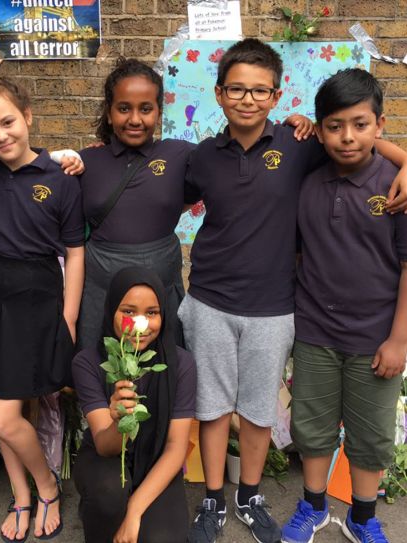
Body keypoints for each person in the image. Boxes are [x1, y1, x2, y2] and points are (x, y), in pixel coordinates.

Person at [180, 38, 407, 543]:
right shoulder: (202, 157)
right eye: (237, 90)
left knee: (256, 410)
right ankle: (213, 499)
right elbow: (157, 194)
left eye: (259, 90)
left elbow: (355, 134)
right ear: (220, 93)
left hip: (274, 306)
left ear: (276, 94)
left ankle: (250, 496)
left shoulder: (301, 144)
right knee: (212, 407)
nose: (248, 99)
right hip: (209, 299)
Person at [279, 69, 407, 543]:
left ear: (379, 125)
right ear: (320, 131)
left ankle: (362, 518)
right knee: (312, 425)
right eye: (336, 126)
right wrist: (300, 120)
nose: (348, 137)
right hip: (316, 330)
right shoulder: (309, 177)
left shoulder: (400, 187)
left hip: (375, 338)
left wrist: (397, 339)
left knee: (369, 435)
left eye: (361, 125)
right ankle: (315, 506)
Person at [75, 58, 314, 352]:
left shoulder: (182, 154)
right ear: (109, 114)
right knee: (99, 368)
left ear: (159, 113)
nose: (135, 119)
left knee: (165, 370)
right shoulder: (85, 162)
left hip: (160, 282)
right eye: (124, 109)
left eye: (146, 109)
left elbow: (208, 182)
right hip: (102, 287)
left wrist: (303, 124)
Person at [0, 70, 85, 543]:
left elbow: (75, 251)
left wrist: (68, 316)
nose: (0, 136)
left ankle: (48, 486)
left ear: (28, 116)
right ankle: (21, 493)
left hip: (35, 301)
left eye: (8, 122)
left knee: (2, 417)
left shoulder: (60, 177)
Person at [70, 267, 197, 543]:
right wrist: (116, 416)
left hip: (157, 461)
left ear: (163, 315)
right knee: (110, 491)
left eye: (151, 313)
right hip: (106, 461)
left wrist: (136, 512)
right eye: (128, 311)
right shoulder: (89, 362)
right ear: (111, 311)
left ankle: (123, 519)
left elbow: (175, 447)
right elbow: (108, 447)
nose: (141, 323)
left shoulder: (181, 365)